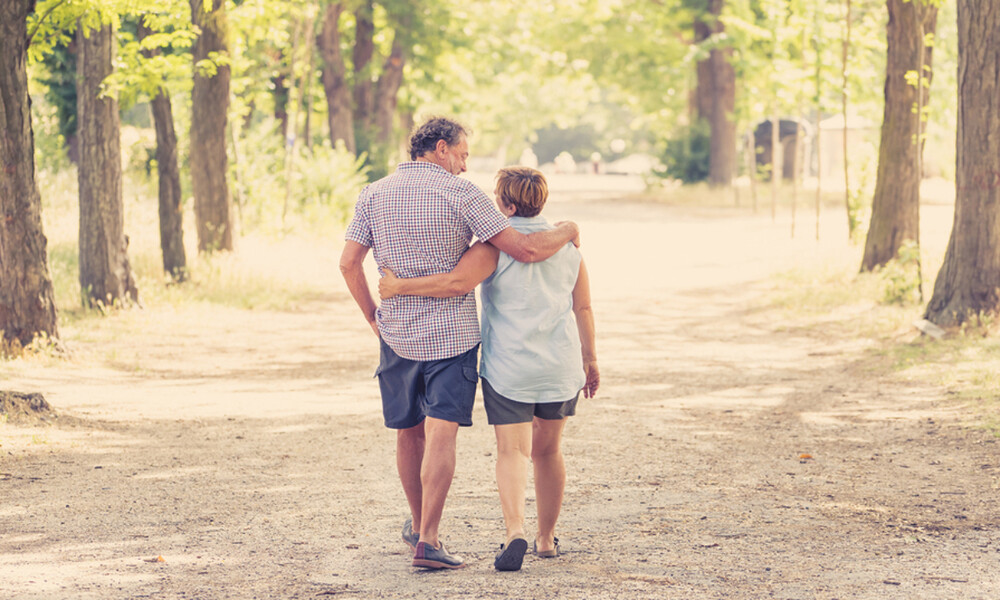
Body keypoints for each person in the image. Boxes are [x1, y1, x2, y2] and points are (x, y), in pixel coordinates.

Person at [339, 118, 580, 570]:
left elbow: (349, 263)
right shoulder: (463, 194)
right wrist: (568, 230)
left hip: (396, 335)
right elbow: (525, 249)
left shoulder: (373, 193)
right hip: (452, 337)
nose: (466, 166)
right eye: (464, 155)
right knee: (441, 433)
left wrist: (374, 316)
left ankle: (418, 527)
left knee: (408, 432)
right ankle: (428, 539)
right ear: (442, 148)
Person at [379, 166, 599, 573]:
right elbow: (582, 307)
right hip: (559, 365)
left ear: (507, 205)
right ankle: (546, 539)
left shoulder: (494, 248)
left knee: (512, 451)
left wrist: (398, 287)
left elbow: (455, 283)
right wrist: (591, 359)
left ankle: (515, 531)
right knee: (549, 451)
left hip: (509, 369)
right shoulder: (569, 248)